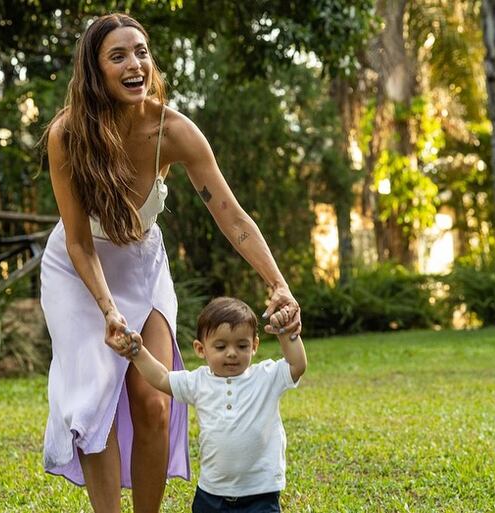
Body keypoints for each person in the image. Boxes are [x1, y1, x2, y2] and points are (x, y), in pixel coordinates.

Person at [39, 12, 302, 513]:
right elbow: (78, 241)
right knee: (95, 404)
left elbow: (232, 216)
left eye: (140, 51)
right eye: (117, 55)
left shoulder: (172, 129)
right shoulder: (68, 134)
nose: (135, 63)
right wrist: (108, 308)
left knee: (154, 401)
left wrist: (278, 285)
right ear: (95, 72)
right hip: (79, 273)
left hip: (142, 263)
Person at [115, 297, 307, 513]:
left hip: (260, 493)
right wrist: (138, 353)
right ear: (200, 349)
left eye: (242, 345)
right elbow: (161, 378)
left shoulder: (266, 377)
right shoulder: (197, 382)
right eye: (221, 346)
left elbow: (297, 365)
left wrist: (285, 334)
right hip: (212, 494)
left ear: (254, 345)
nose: (232, 352)